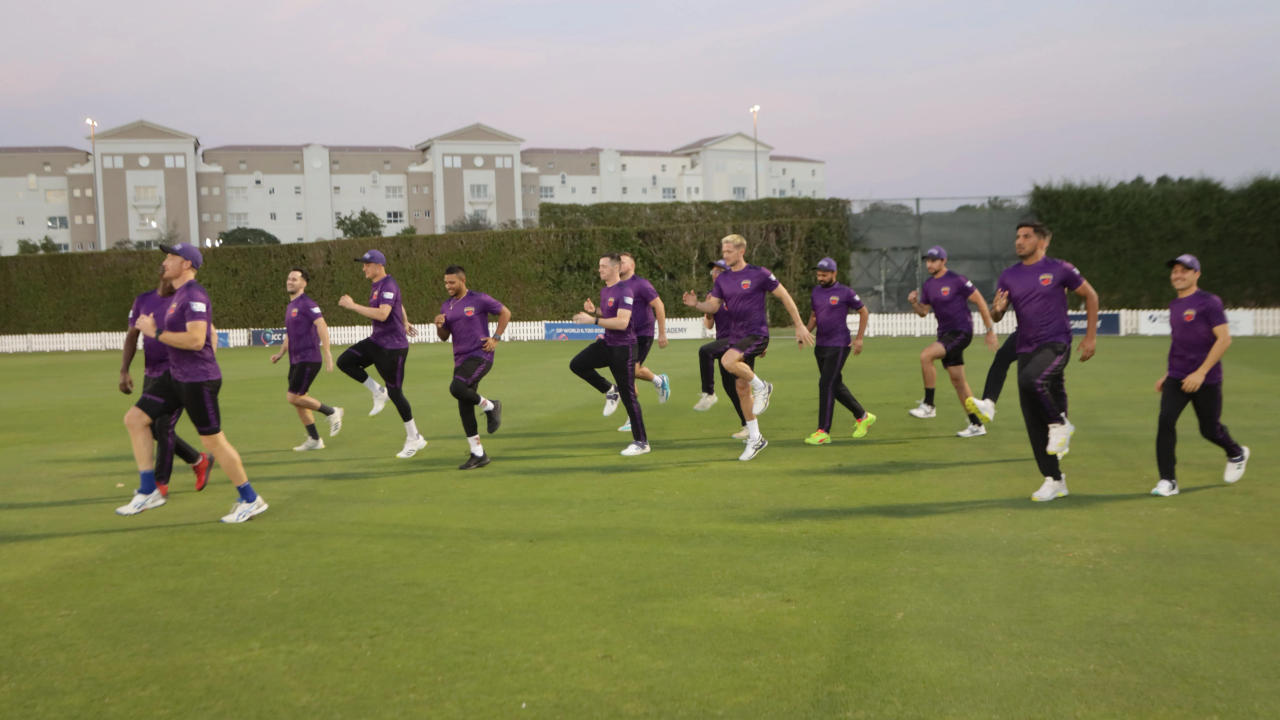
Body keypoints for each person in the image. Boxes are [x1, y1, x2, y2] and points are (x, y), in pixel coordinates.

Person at [122, 242, 268, 523]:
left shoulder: (194, 295)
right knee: (135, 419)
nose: (165, 262)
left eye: (170, 257)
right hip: (176, 377)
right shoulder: (178, 295)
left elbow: (196, 339)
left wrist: (156, 332)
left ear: (186, 264)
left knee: (213, 441)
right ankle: (148, 489)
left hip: (199, 380)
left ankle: (251, 499)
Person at [989, 221, 1099, 502]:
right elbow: (997, 314)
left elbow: (1090, 296)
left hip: (1056, 343)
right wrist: (998, 310)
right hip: (1026, 347)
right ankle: (1054, 479)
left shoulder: (1060, 269)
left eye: (1026, 237)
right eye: (1017, 237)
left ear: (1042, 241)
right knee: (1032, 422)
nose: (1019, 241)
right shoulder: (1009, 276)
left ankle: (1060, 423)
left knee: (1032, 381)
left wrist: (1090, 338)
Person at [682, 233, 815, 461]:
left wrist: (800, 325)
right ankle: (755, 438)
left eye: (729, 252)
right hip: (736, 337)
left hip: (756, 334)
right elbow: (712, 306)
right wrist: (697, 305)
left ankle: (763, 387)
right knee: (742, 389)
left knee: (727, 361)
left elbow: (784, 297)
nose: (725, 255)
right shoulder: (722, 281)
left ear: (741, 251)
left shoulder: (759, 274)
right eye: (723, 252)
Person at [1152, 254, 1249, 496]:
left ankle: (1236, 452)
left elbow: (1224, 339)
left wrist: (1201, 373)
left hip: (1206, 378)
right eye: (1175, 271)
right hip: (1177, 376)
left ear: (1196, 274)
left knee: (1209, 429)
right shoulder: (1174, 305)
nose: (1178, 275)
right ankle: (1168, 481)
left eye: (1185, 270)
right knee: (1165, 421)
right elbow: (1180, 343)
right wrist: (1168, 374)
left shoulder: (1209, 302)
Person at [120, 273, 213, 497]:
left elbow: (206, 333)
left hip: (179, 373)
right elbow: (132, 335)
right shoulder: (143, 300)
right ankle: (197, 460)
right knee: (149, 426)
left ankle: (159, 484)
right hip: (151, 373)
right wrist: (124, 369)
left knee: (163, 427)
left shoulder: (185, 299)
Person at [336, 249, 427, 459]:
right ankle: (378, 391)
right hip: (377, 342)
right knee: (345, 362)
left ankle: (415, 438)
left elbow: (384, 313)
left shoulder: (388, 284)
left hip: (393, 348)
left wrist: (352, 306)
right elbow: (398, 304)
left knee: (396, 393)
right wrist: (404, 320)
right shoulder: (377, 285)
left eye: (366, 264)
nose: (363, 268)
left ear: (378, 265)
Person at [905, 245, 999, 437]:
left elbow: (980, 302)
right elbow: (924, 312)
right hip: (945, 335)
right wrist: (915, 302)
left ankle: (929, 405)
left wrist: (990, 330)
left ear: (943, 261)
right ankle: (976, 425)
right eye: (927, 261)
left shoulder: (957, 280)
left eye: (933, 260)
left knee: (926, 356)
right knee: (958, 381)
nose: (929, 264)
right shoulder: (929, 285)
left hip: (961, 332)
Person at [570, 253, 650, 456]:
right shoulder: (606, 290)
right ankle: (609, 390)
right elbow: (610, 317)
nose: (600, 270)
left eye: (603, 266)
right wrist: (596, 311)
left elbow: (622, 323)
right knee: (577, 364)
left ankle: (641, 442)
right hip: (608, 343)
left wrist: (593, 321)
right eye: (599, 266)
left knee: (629, 395)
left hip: (624, 348)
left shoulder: (626, 290)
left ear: (615, 268)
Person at [434, 264, 511, 470]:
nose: (448, 286)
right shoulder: (446, 306)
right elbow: (444, 338)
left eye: (452, 282)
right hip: (460, 360)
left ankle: (491, 406)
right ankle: (478, 454)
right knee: (464, 405)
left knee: (456, 389)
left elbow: (505, 312)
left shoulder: (479, 299)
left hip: (480, 355)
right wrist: (439, 325)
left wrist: (496, 338)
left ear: (462, 280)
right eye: (445, 283)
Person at [803, 257, 874, 445]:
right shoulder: (816, 292)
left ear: (834, 273)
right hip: (821, 345)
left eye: (824, 274)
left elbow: (863, 312)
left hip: (840, 344)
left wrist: (859, 339)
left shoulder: (845, 292)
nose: (820, 277)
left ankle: (823, 431)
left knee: (825, 384)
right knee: (835, 385)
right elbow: (814, 315)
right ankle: (863, 416)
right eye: (818, 274)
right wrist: (805, 332)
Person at [270, 267, 342, 451]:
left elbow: (322, 325)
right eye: (289, 278)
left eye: (294, 279)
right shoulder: (290, 306)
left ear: (304, 283)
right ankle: (314, 439)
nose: (290, 281)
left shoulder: (307, 303)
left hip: (309, 358)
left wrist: (327, 352)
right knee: (299, 399)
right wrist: (280, 353)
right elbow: (290, 334)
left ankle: (332, 411)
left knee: (293, 397)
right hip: (295, 360)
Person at [607, 252, 670, 432]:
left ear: (632, 265)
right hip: (624, 335)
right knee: (627, 372)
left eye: (623, 262)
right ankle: (658, 381)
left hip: (643, 334)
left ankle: (632, 416)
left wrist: (662, 333)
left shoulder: (641, 284)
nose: (619, 264)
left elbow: (659, 305)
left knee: (630, 371)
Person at [693, 260, 749, 439]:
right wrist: (708, 310)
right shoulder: (713, 295)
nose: (714, 275)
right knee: (731, 387)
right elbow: (709, 325)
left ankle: (708, 393)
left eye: (718, 271)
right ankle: (747, 425)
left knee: (705, 351)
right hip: (723, 342)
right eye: (713, 272)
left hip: (737, 341)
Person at [965, 330, 1019, 424]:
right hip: (1026, 330)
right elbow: (997, 317)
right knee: (1002, 357)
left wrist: (989, 330)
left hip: (1043, 331)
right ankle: (988, 404)